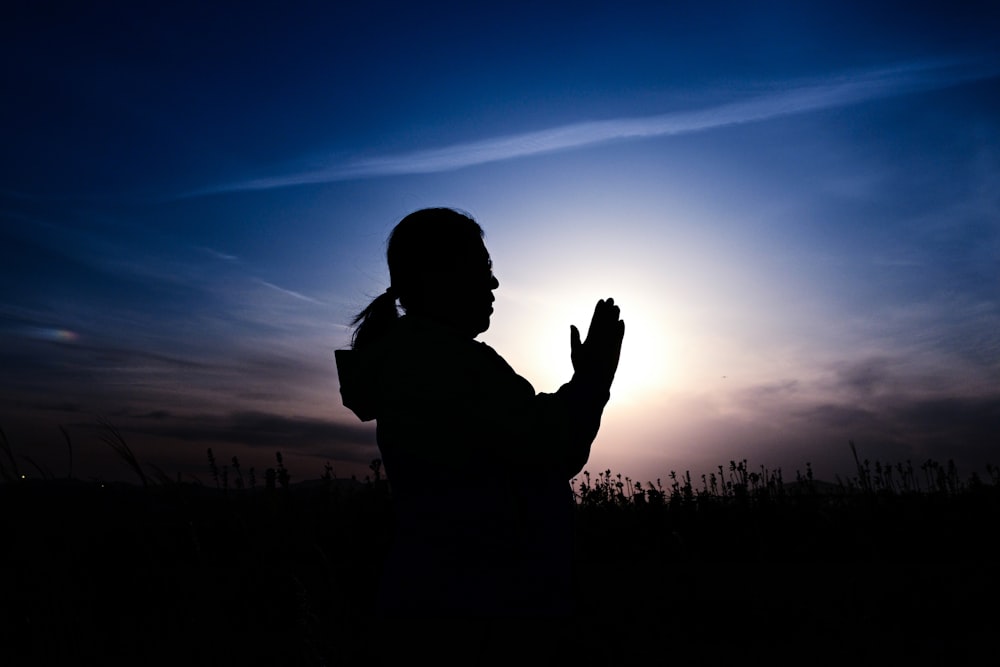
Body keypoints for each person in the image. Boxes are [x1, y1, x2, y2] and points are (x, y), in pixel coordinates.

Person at [335, 207, 624, 624]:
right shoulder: (450, 365)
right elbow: (551, 448)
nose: (494, 282)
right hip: (483, 614)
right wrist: (593, 379)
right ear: (439, 276)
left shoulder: (412, 361)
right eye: (481, 267)